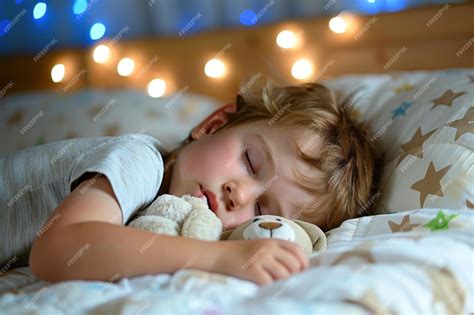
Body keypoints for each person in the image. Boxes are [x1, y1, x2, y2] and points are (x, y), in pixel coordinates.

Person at [0, 80, 382, 286]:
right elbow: (59, 249)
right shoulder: (139, 160)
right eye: (251, 162)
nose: (240, 195)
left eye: (262, 211)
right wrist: (220, 258)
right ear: (212, 125)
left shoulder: (170, 215)